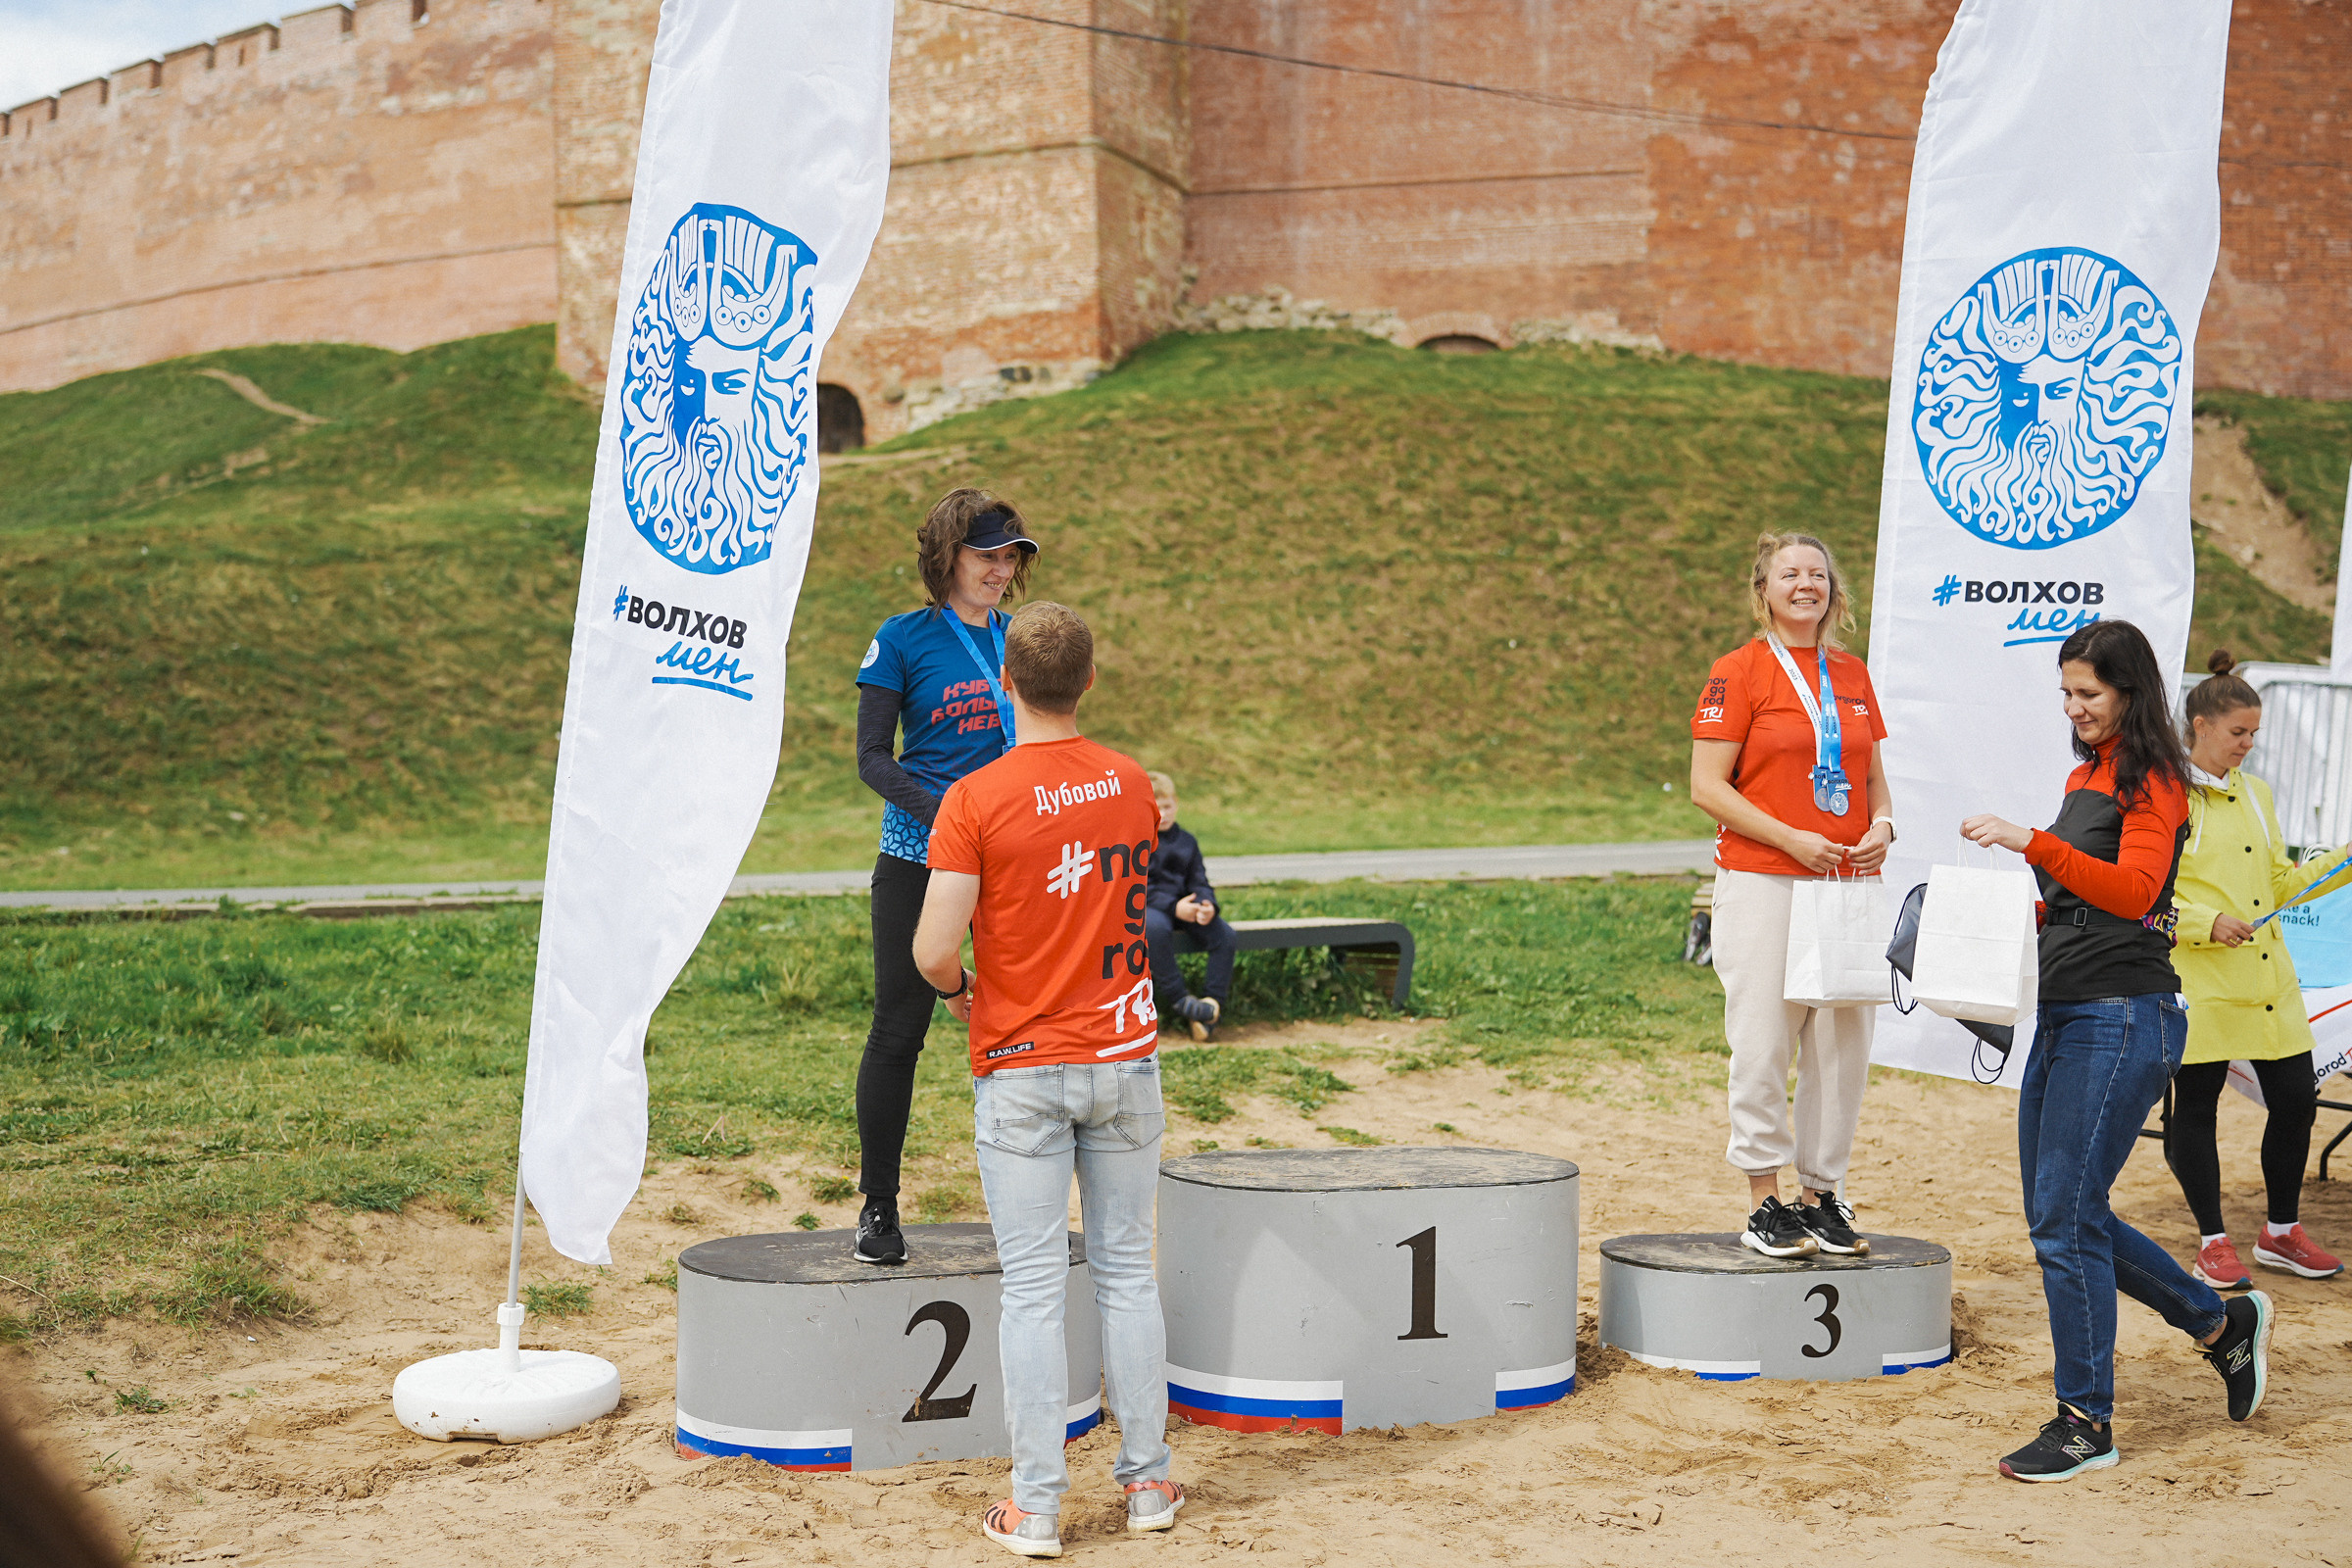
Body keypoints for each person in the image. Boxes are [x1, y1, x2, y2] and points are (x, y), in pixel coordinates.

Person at [1962, 619, 2274, 1484]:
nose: (2073, 707)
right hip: (2066, 1010)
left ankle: (2085, 1422)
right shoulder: (2084, 777)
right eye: (2065, 693)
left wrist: (2031, 840)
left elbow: (2136, 892)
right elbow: (2073, 899)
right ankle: (2222, 1325)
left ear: (2130, 693)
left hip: (2124, 1013)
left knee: (2065, 1219)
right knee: (2063, 1215)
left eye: (2088, 693)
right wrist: (1981, 927)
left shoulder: (2156, 779)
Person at [912, 602, 1185, 1557]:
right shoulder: (1132, 783)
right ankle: (1148, 1482)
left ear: (1004, 683)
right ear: (1089, 680)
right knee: (1126, 1274)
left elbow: (932, 948)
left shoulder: (974, 799)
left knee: (1032, 1289)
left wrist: (961, 994)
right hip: (1123, 1055)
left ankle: (1035, 1507)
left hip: (1022, 1064)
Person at [1690, 532, 1895, 1260]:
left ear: (1833, 590)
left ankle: (1820, 1195)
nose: (1806, 584)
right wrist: (1789, 839)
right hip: (1764, 880)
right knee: (1764, 1040)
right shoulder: (1738, 671)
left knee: (1842, 1047)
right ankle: (1764, 1201)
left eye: (1818, 574)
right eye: (1790, 574)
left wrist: (1884, 825)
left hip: (1844, 884)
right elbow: (1706, 786)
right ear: (1765, 590)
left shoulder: (1852, 672)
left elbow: (1871, 777)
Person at [850, 488, 1039, 1265]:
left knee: (1025, 1030)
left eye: (1010, 558)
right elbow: (872, 758)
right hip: (918, 855)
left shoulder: (1023, 640)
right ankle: (878, 1208)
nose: (1001, 570)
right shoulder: (901, 638)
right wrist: (949, 816)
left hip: (1012, 859)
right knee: (900, 1030)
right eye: (987, 555)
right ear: (947, 557)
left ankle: (1026, 1205)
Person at [2166, 650, 2345, 1286]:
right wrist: (2205, 922)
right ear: (2201, 726)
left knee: (2297, 1101)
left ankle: (2281, 1232)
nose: (2248, 744)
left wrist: (2346, 859)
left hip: (2268, 980)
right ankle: (2212, 1242)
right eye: (2238, 732)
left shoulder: (2258, 793)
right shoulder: (2167, 794)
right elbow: (2147, 893)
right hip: (2200, 982)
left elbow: (2281, 885)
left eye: (2254, 733)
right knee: (2195, 1109)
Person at [1145, 770, 1235, 1042]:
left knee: (1225, 935)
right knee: (1154, 929)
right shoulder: (1140, 839)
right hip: (1155, 908)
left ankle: (1210, 1008)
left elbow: (1199, 880)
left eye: (1167, 806)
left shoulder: (1187, 841)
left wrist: (1207, 905)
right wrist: (1174, 907)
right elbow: (1140, 887)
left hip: (1187, 907)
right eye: (1157, 808)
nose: (1163, 814)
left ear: (1176, 803)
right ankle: (1180, 1000)